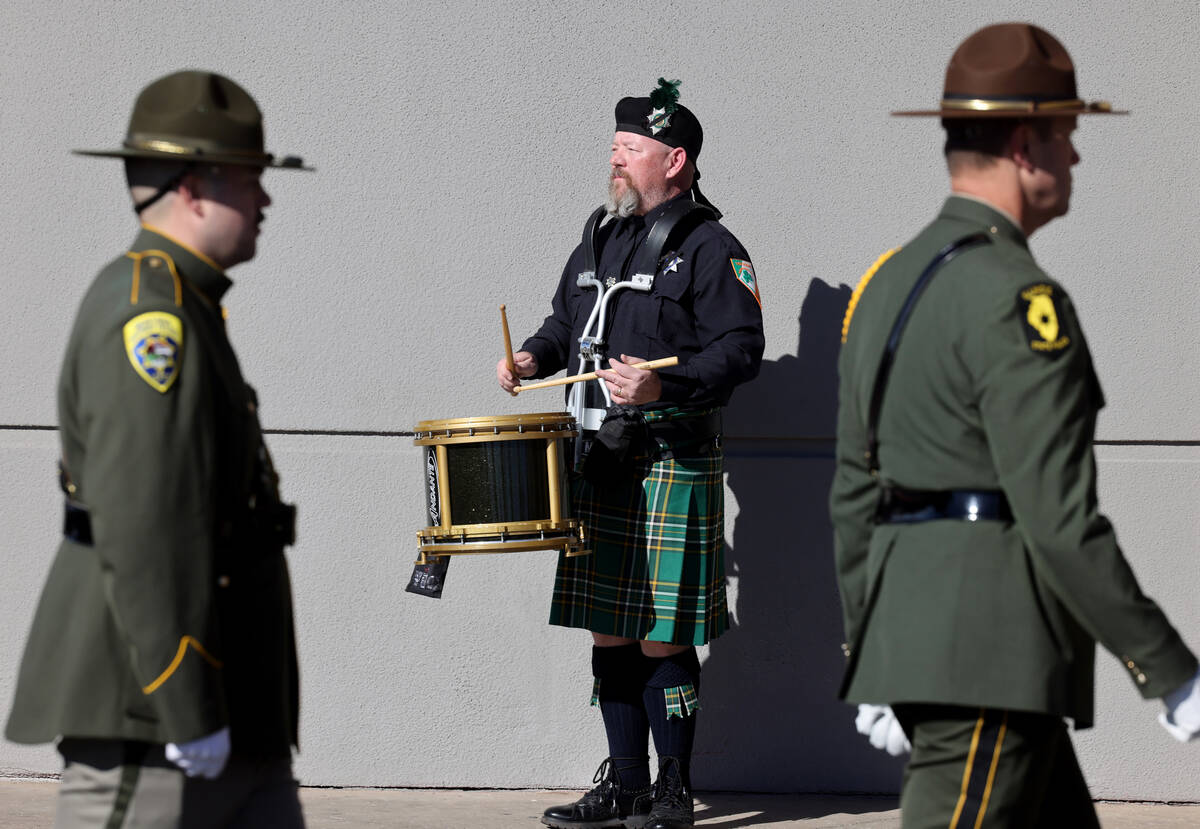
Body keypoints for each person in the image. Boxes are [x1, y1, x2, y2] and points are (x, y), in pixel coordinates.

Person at [831, 23, 1200, 827]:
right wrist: (1169, 668)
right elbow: (1058, 518)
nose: (1077, 157)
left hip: (939, 649)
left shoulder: (886, 283)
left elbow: (854, 494)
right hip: (987, 655)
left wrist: (876, 647)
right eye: (1068, 136)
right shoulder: (1017, 298)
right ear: (1027, 144)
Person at [6, 70, 311, 828]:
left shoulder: (189, 304)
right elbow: (144, 524)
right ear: (195, 186)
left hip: (229, 718)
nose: (266, 200)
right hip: (154, 727)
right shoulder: (151, 315)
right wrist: (184, 699)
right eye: (251, 180)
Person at [497, 79, 764, 829]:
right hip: (599, 455)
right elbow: (563, 321)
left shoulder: (713, 249)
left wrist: (658, 389)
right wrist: (529, 357)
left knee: (661, 630)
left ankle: (673, 788)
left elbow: (743, 351)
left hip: (671, 454)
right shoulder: (600, 236)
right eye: (614, 147)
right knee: (608, 625)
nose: (616, 158)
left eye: (632, 148)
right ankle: (622, 783)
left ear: (674, 160)